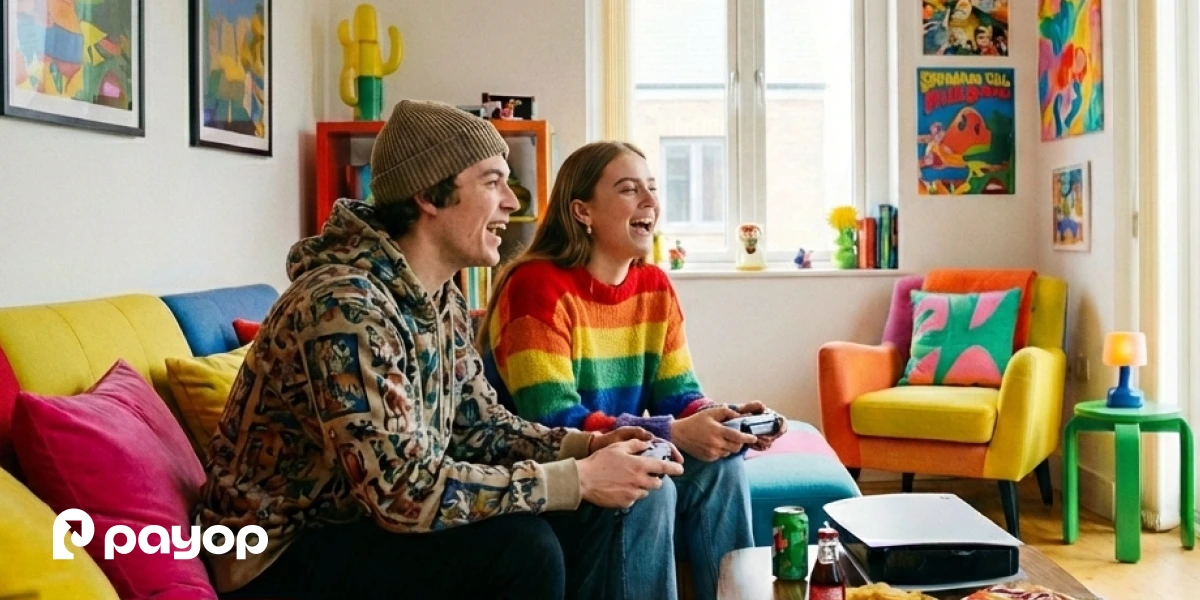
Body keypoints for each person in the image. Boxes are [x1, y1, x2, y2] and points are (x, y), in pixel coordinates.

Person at [194, 102, 683, 600]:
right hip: (274, 555)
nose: (512, 203)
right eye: (492, 183)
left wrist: (587, 449)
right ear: (429, 194)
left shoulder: (437, 295)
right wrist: (574, 479)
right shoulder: (342, 306)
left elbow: (479, 425)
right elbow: (400, 491)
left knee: (604, 509)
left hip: (359, 523)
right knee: (521, 548)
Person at [478, 140, 787, 600]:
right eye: (628, 190)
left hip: (622, 454)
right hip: (552, 477)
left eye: (652, 188)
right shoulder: (535, 287)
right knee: (649, 481)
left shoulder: (654, 286)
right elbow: (551, 420)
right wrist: (674, 433)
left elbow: (679, 395)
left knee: (721, 466)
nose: (650, 202)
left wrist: (721, 421)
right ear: (582, 211)